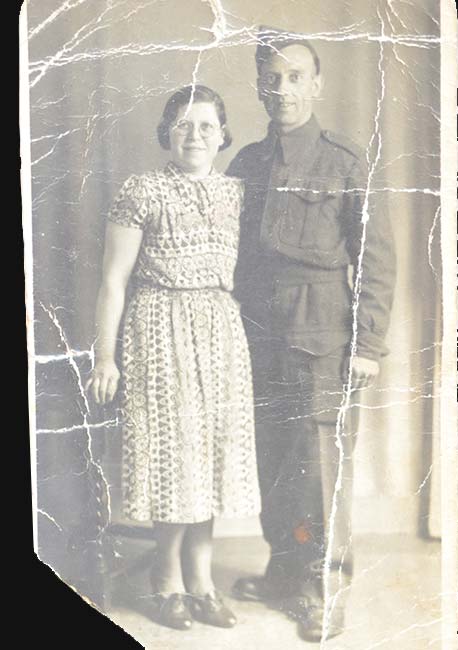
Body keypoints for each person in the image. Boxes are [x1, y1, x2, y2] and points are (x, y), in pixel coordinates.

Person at [227, 27, 396, 642]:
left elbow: (376, 255)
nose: (283, 89)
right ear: (259, 88)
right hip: (258, 328)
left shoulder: (344, 159)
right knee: (273, 457)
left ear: (316, 84)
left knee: (318, 464)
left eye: (295, 77)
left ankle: (324, 589)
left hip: (321, 328)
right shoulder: (246, 162)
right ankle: (284, 571)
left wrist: (370, 344)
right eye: (272, 78)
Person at [86, 85, 261, 631]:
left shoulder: (236, 192)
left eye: (207, 126)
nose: (195, 135)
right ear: (168, 132)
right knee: (172, 459)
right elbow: (114, 280)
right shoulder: (142, 190)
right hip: (158, 330)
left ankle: (203, 582)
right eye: (184, 125)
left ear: (223, 133)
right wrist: (105, 357)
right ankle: (167, 581)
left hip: (220, 333)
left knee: (207, 458)